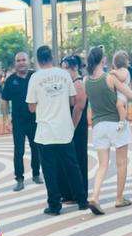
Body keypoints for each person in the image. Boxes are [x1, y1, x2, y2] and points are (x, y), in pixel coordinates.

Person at [27, 45, 88, 216]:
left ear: (38, 60)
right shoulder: (64, 75)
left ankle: (54, 205)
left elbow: (31, 107)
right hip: (64, 129)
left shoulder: (35, 78)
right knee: (72, 166)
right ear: (52, 57)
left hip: (45, 131)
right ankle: (82, 200)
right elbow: (72, 101)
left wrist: (44, 103)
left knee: (49, 170)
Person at [84, 45, 132, 216]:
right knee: (121, 163)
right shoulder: (109, 78)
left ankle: (95, 196)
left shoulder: (86, 80)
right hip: (116, 123)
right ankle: (119, 198)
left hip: (98, 126)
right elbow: (131, 95)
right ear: (103, 60)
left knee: (102, 165)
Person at [0, 51, 42, 191]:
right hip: (18, 122)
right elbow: (4, 100)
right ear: (15, 63)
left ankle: (36, 174)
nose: (21, 63)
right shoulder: (10, 80)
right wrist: (6, 120)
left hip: (35, 120)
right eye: (18, 60)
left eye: (24, 60)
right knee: (19, 151)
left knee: (36, 148)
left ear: (28, 61)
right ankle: (19, 179)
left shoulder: (35, 77)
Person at [61, 55, 88, 202]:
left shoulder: (78, 84)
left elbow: (79, 108)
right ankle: (72, 192)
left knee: (78, 159)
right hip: (72, 126)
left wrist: (71, 128)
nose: (64, 71)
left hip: (77, 127)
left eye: (66, 68)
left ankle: (79, 193)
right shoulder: (71, 83)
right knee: (72, 160)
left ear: (74, 67)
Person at [110, 50, 131, 131]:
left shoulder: (124, 70)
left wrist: (114, 73)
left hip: (122, 94)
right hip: (119, 93)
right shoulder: (120, 71)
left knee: (119, 105)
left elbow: (122, 78)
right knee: (120, 106)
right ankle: (123, 118)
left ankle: (122, 121)